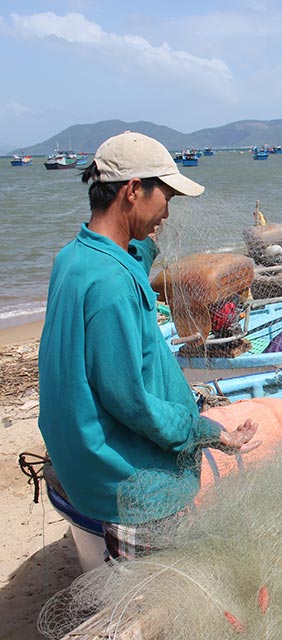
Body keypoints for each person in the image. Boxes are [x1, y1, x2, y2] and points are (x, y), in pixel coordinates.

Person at [37, 132, 257, 561]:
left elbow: (120, 264)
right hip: (128, 483)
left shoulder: (75, 258)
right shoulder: (113, 284)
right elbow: (131, 401)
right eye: (166, 197)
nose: (168, 213)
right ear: (134, 189)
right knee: (162, 590)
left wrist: (144, 243)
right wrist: (207, 432)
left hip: (82, 462)